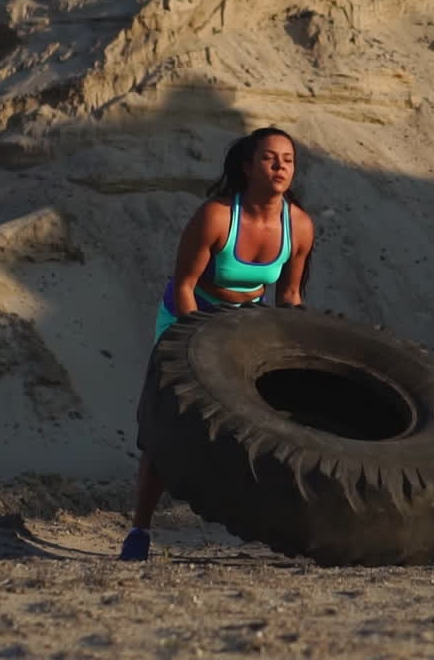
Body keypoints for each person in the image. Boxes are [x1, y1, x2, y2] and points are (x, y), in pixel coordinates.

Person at [119, 127, 315, 561]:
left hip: (248, 319)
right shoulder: (216, 216)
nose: (281, 166)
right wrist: (193, 344)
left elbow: (290, 295)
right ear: (248, 167)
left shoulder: (298, 225)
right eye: (269, 158)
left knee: (270, 419)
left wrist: (294, 345)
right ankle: (139, 530)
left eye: (288, 159)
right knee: (162, 426)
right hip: (186, 314)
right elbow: (186, 284)